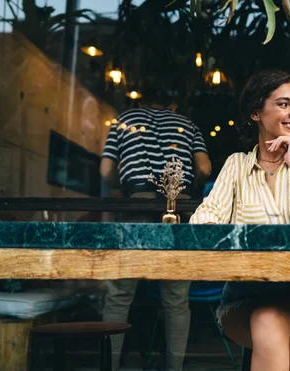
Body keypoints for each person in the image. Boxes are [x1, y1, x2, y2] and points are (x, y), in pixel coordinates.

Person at [189, 69, 290, 371]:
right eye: (283, 104)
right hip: (244, 296)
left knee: (268, 319)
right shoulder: (235, 166)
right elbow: (202, 224)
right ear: (256, 112)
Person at [100, 86, 212, 371]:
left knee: (119, 294)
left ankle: (108, 365)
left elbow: (105, 171)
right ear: (173, 104)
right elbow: (205, 168)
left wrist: (120, 185)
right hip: (177, 208)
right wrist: (189, 187)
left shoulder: (124, 120)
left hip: (135, 205)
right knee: (175, 298)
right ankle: (174, 368)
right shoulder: (187, 124)